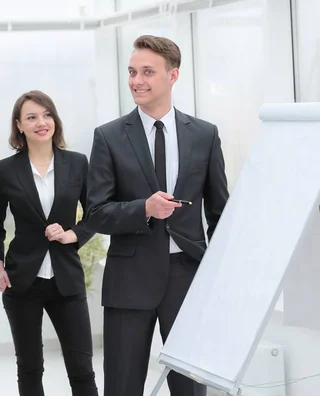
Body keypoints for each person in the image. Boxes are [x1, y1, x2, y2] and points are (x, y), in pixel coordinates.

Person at [86, 34, 229, 396]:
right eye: (132, 71)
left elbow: (220, 212)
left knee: (190, 388)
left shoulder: (205, 135)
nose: (137, 80)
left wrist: (221, 273)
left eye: (147, 71)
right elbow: (96, 213)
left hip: (188, 278)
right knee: (121, 385)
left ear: (173, 75)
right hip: (128, 280)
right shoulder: (109, 137)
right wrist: (143, 209)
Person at [0, 90, 98, 396]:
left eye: (47, 114)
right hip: (22, 281)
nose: (41, 122)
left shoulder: (77, 163)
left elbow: (95, 214)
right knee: (30, 368)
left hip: (67, 278)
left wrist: (72, 234)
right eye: (32, 117)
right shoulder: (5, 169)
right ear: (19, 125)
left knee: (82, 369)